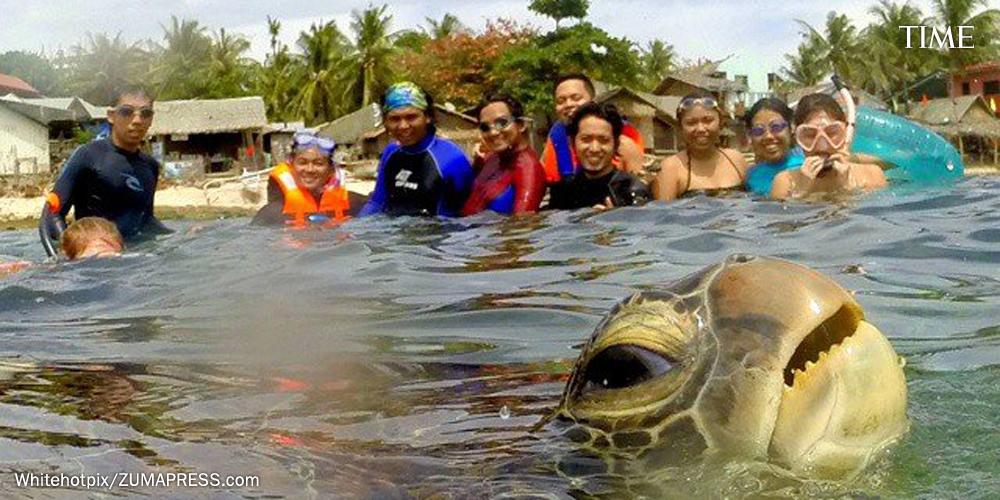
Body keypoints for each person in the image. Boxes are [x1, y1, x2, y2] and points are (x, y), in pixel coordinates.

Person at [40, 87, 170, 257]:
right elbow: (51, 216)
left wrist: (186, 235)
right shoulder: (88, 155)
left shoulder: (150, 166)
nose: (137, 120)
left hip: (135, 259)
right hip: (95, 261)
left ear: (151, 119)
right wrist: (66, 257)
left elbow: (146, 220)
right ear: (111, 115)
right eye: (127, 112)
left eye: (145, 113)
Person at [358, 82, 474, 217]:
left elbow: (470, 209)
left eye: (411, 117)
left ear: (428, 117)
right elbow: (377, 202)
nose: (403, 126)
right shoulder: (391, 153)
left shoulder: (451, 158)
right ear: (385, 122)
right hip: (395, 227)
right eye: (395, 119)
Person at [771, 93, 887, 200]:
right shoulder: (785, 183)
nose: (822, 147)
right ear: (797, 138)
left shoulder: (872, 175)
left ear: (845, 133)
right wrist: (801, 192)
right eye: (810, 135)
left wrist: (846, 189)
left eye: (831, 133)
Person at [540, 74, 645, 184]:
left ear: (593, 101)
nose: (568, 104)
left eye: (576, 98)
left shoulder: (622, 141)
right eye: (561, 101)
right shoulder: (556, 137)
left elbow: (638, 186)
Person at [547, 103, 650, 210]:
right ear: (572, 143)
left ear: (616, 145)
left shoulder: (632, 190)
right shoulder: (562, 191)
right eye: (586, 139)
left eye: (603, 140)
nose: (594, 149)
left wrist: (617, 217)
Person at [652, 91, 749, 201]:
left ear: (721, 123)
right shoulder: (670, 168)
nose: (701, 129)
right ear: (680, 128)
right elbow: (662, 210)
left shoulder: (736, 160)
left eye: (708, 121)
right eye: (691, 123)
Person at [253, 132, 364, 227]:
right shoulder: (271, 214)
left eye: (318, 163)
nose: (310, 169)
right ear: (291, 166)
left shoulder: (354, 204)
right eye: (302, 163)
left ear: (331, 169)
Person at [461, 95, 546, 216]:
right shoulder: (490, 159)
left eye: (501, 123)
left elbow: (524, 223)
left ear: (521, 125)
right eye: (485, 127)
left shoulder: (528, 169)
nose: (493, 132)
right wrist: (477, 162)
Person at [743, 97, 804, 196]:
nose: (768, 136)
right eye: (758, 131)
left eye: (776, 127)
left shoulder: (806, 168)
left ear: (792, 127)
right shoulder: (752, 175)